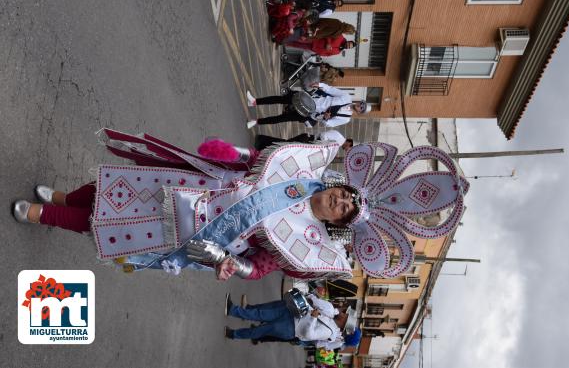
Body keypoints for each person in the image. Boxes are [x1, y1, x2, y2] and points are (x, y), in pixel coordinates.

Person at [13, 129, 469, 281]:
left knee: (107, 228)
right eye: (345, 192)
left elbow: (259, 266)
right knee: (113, 192)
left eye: (345, 207)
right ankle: (60, 198)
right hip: (191, 184)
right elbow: (253, 160)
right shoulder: (302, 171)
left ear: (338, 221)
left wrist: (234, 266)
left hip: (191, 237)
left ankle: (44, 216)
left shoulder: (304, 244)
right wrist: (232, 156)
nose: (340, 199)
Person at [224, 292, 358, 348]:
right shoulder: (331, 318)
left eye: (346, 315)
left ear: (345, 323)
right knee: (261, 314)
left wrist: (313, 318)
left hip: (290, 329)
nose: (344, 313)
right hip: (292, 315)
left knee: (260, 330)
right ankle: (233, 310)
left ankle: (233, 334)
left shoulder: (330, 332)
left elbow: (309, 334)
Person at [246, 84, 370, 128]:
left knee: (283, 118)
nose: (359, 106)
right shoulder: (346, 97)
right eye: (361, 104)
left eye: (361, 108)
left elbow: (330, 124)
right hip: (311, 99)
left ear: (360, 112)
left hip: (311, 114)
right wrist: (320, 84)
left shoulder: (346, 118)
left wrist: (326, 118)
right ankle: (254, 102)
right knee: (282, 99)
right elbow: (331, 89)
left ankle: (256, 122)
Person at [254, 130, 353, 152]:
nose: (348, 150)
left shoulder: (339, 143)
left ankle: (262, 143)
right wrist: (323, 146)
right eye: (350, 148)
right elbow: (324, 135)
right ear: (349, 143)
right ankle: (261, 141)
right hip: (308, 140)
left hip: (308, 142)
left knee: (284, 146)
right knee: (283, 146)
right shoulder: (339, 139)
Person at [286, 35, 354, 57]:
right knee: (300, 39)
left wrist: (319, 53)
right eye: (348, 44)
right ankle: (285, 37)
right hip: (316, 40)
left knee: (298, 45)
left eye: (348, 47)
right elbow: (329, 34)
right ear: (348, 41)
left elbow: (327, 54)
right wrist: (328, 43)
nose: (347, 46)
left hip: (315, 49)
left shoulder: (338, 52)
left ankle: (285, 43)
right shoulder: (340, 37)